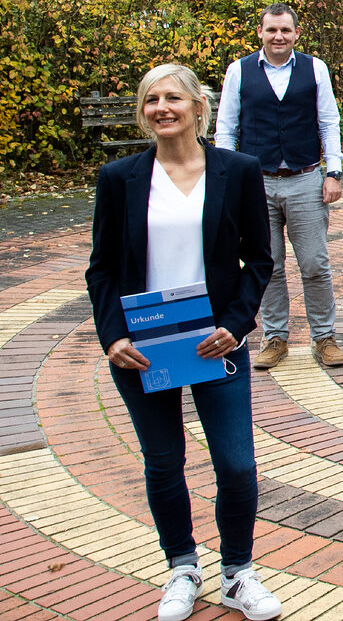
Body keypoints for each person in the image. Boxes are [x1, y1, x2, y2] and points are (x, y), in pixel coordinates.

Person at [86, 64, 283, 621]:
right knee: (164, 462)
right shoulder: (119, 177)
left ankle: (237, 573)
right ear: (143, 110)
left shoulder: (238, 170)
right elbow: (100, 270)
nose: (162, 108)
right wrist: (112, 336)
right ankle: (182, 567)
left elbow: (260, 260)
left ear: (199, 105)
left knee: (237, 465)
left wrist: (238, 323)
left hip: (215, 342)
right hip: (144, 348)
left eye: (173, 97)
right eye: (151, 100)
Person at [215, 2, 343, 370]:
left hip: (305, 178)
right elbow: (226, 129)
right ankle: (275, 338)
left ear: (296, 34)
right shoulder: (238, 71)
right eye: (272, 30)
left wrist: (333, 172)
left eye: (285, 30)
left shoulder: (315, 69)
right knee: (267, 265)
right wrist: (225, 178)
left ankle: (325, 337)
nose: (278, 36)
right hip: (255, 183)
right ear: (260, 32)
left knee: (315, 264)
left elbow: (328, 122)